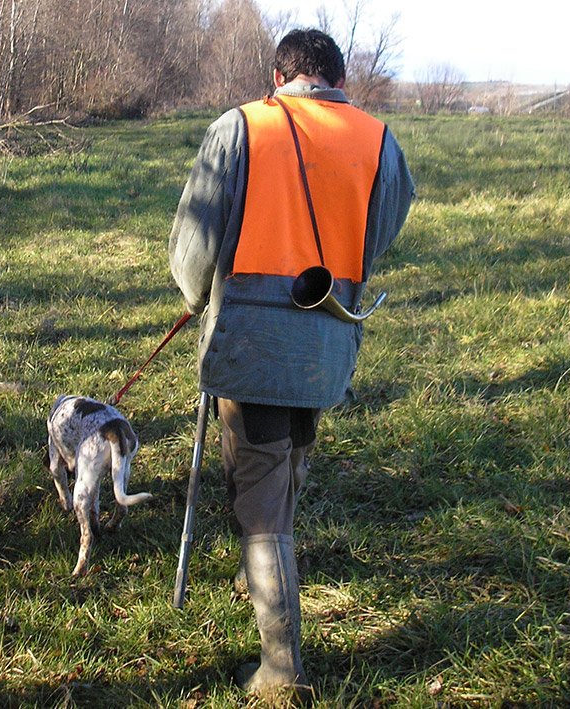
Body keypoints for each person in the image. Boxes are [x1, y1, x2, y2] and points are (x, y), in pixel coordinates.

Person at [168, 28, 414, 700]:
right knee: (289, 453)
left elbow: (193, 244)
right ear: (339, 79)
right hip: (331, 336)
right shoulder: (380, 140)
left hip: (249, 339)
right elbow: (380, 230)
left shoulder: (241, 126)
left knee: (263, 489)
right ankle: (259, 568)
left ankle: (281, 669)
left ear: (280, 77)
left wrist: (195, 298)